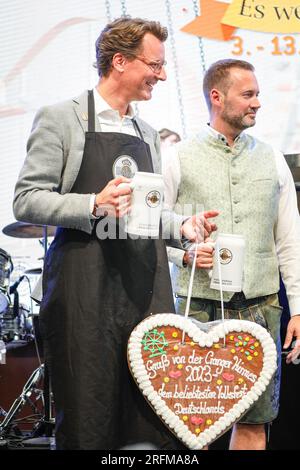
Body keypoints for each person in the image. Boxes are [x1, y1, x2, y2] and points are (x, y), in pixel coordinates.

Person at [13, 17, 193, 451]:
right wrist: (93, 204)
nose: (162, 75)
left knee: (151, 421)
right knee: (89, 417)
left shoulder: (146, 133)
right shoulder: (61, 118)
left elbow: (146, 216)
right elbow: (27, 199)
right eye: (155, 64)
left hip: (144, 291)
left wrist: (182, 227)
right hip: (85, 292)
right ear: (120, 62)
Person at [162, 59, 300, 450]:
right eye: (248, 94)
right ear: (217, 97)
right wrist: (185, 256)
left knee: (256, 421)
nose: (257, 102)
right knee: (195, 424)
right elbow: (154, 230)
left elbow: (290, 240)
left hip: (263, 306)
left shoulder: (272, 158)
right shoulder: (178, 157)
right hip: (198, 307)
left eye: (258, 94)